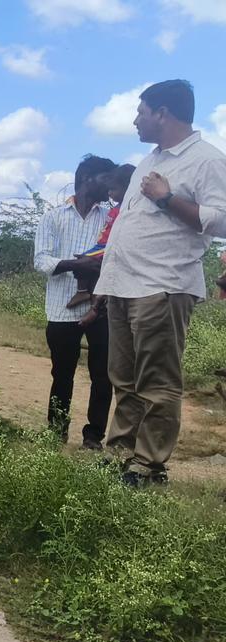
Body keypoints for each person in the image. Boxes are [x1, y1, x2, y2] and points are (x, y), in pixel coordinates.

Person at [96, 79, 226, 487]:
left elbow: (221, 221)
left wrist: (168, 198)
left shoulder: (206, 160)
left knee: (158, 382)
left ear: (163, 113)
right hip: (125, 284)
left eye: (141, 111)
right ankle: (120, 450)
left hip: (162, 285)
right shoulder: (149, 161)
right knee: (125, 379)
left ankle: (149, 464)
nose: (135, 120)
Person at [32, 155, 115, 449]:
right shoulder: (53, 217)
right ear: (87, 179)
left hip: (102, 307)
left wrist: (96, 267)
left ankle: (93, 436)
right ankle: (57, 431)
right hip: (60, 307)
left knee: (103, 376)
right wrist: (76, 265)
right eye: (107, 178)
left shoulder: (110, 217)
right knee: (62, 373)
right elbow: (41, 261)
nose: (111, 186)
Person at [69, 163, 135, 312]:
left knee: (83, 260)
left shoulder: (125, 210)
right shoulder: (115, 209)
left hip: (108, 246)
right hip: (102, 244)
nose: (109, 192)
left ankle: (85, 296)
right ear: (87, 178)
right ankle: (91, 299)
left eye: (113, 189)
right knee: (86, 264)